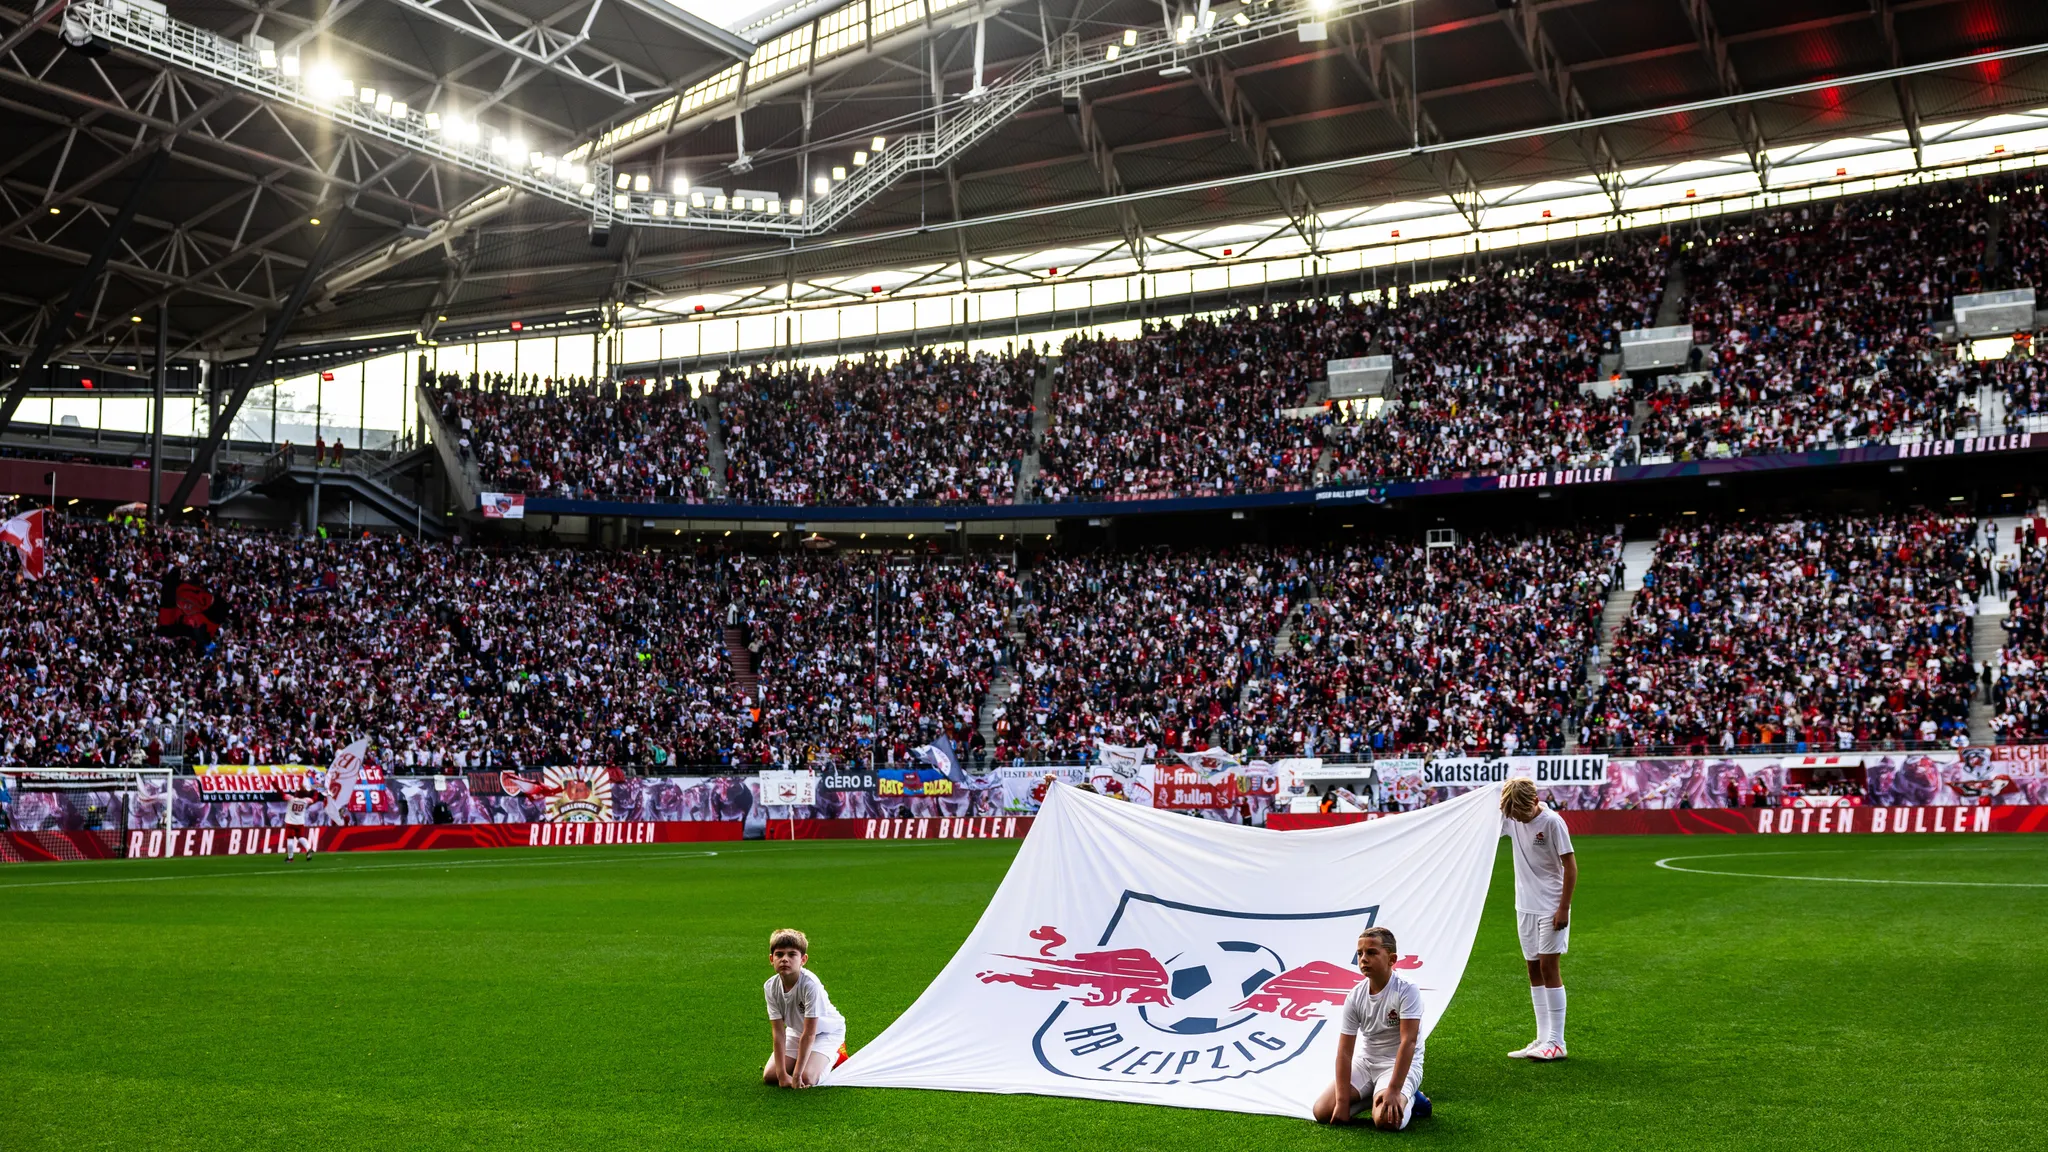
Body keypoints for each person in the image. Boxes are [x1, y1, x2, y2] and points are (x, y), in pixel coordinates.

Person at [1312, 925, 1431, 1129]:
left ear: (1391, 959)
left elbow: (1408, 1042)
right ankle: (1374, 1096)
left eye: (1371, 952)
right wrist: (1341, 1103)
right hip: (1367, 1062)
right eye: (1360, 953)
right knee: (1322, 1111)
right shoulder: (1355, 996)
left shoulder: (1407, 990)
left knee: (1387, 1122)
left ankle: (1412, 1098)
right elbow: (1344, 1052)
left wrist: (1394, 1090)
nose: (1363, 958)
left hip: (1399, 1065)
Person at [1501, 778, 1575, 1061]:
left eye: (1521, 813)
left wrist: (1564, 908)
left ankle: (1558, 1041)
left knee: (1548, 968)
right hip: (1525, 907)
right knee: (1533, 969)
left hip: (1551, 906)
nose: (1517, 819)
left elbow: (1570, 865)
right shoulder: (1512, 816)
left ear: (1534, 801)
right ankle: (1542, 1038)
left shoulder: (1553, 822)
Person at [761, 928, 847, 1089]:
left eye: (792, 954)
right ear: (771, 959)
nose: (785, 959)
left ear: (803, 959)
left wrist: (797, 1075)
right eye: (779, 954)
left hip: (825, 1033)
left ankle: (836, 1054)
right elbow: (779, 1032)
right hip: (796, 1031)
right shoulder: (770, 986)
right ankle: (808, 1061)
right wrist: (781, 1075)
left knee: (807, 1078)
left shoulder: (810, 985)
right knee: (770, 1075)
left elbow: (810, 1033)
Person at [281, 777, 320, 861]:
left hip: (290, 822)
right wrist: (316, 791)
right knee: (300, 837)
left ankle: (290, 857)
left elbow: (281, 794)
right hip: (300, 822)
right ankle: (309, 848)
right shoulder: (306, 800)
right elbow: (315, 799)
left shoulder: (291, 799)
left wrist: (275, 786)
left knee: (290, 839)